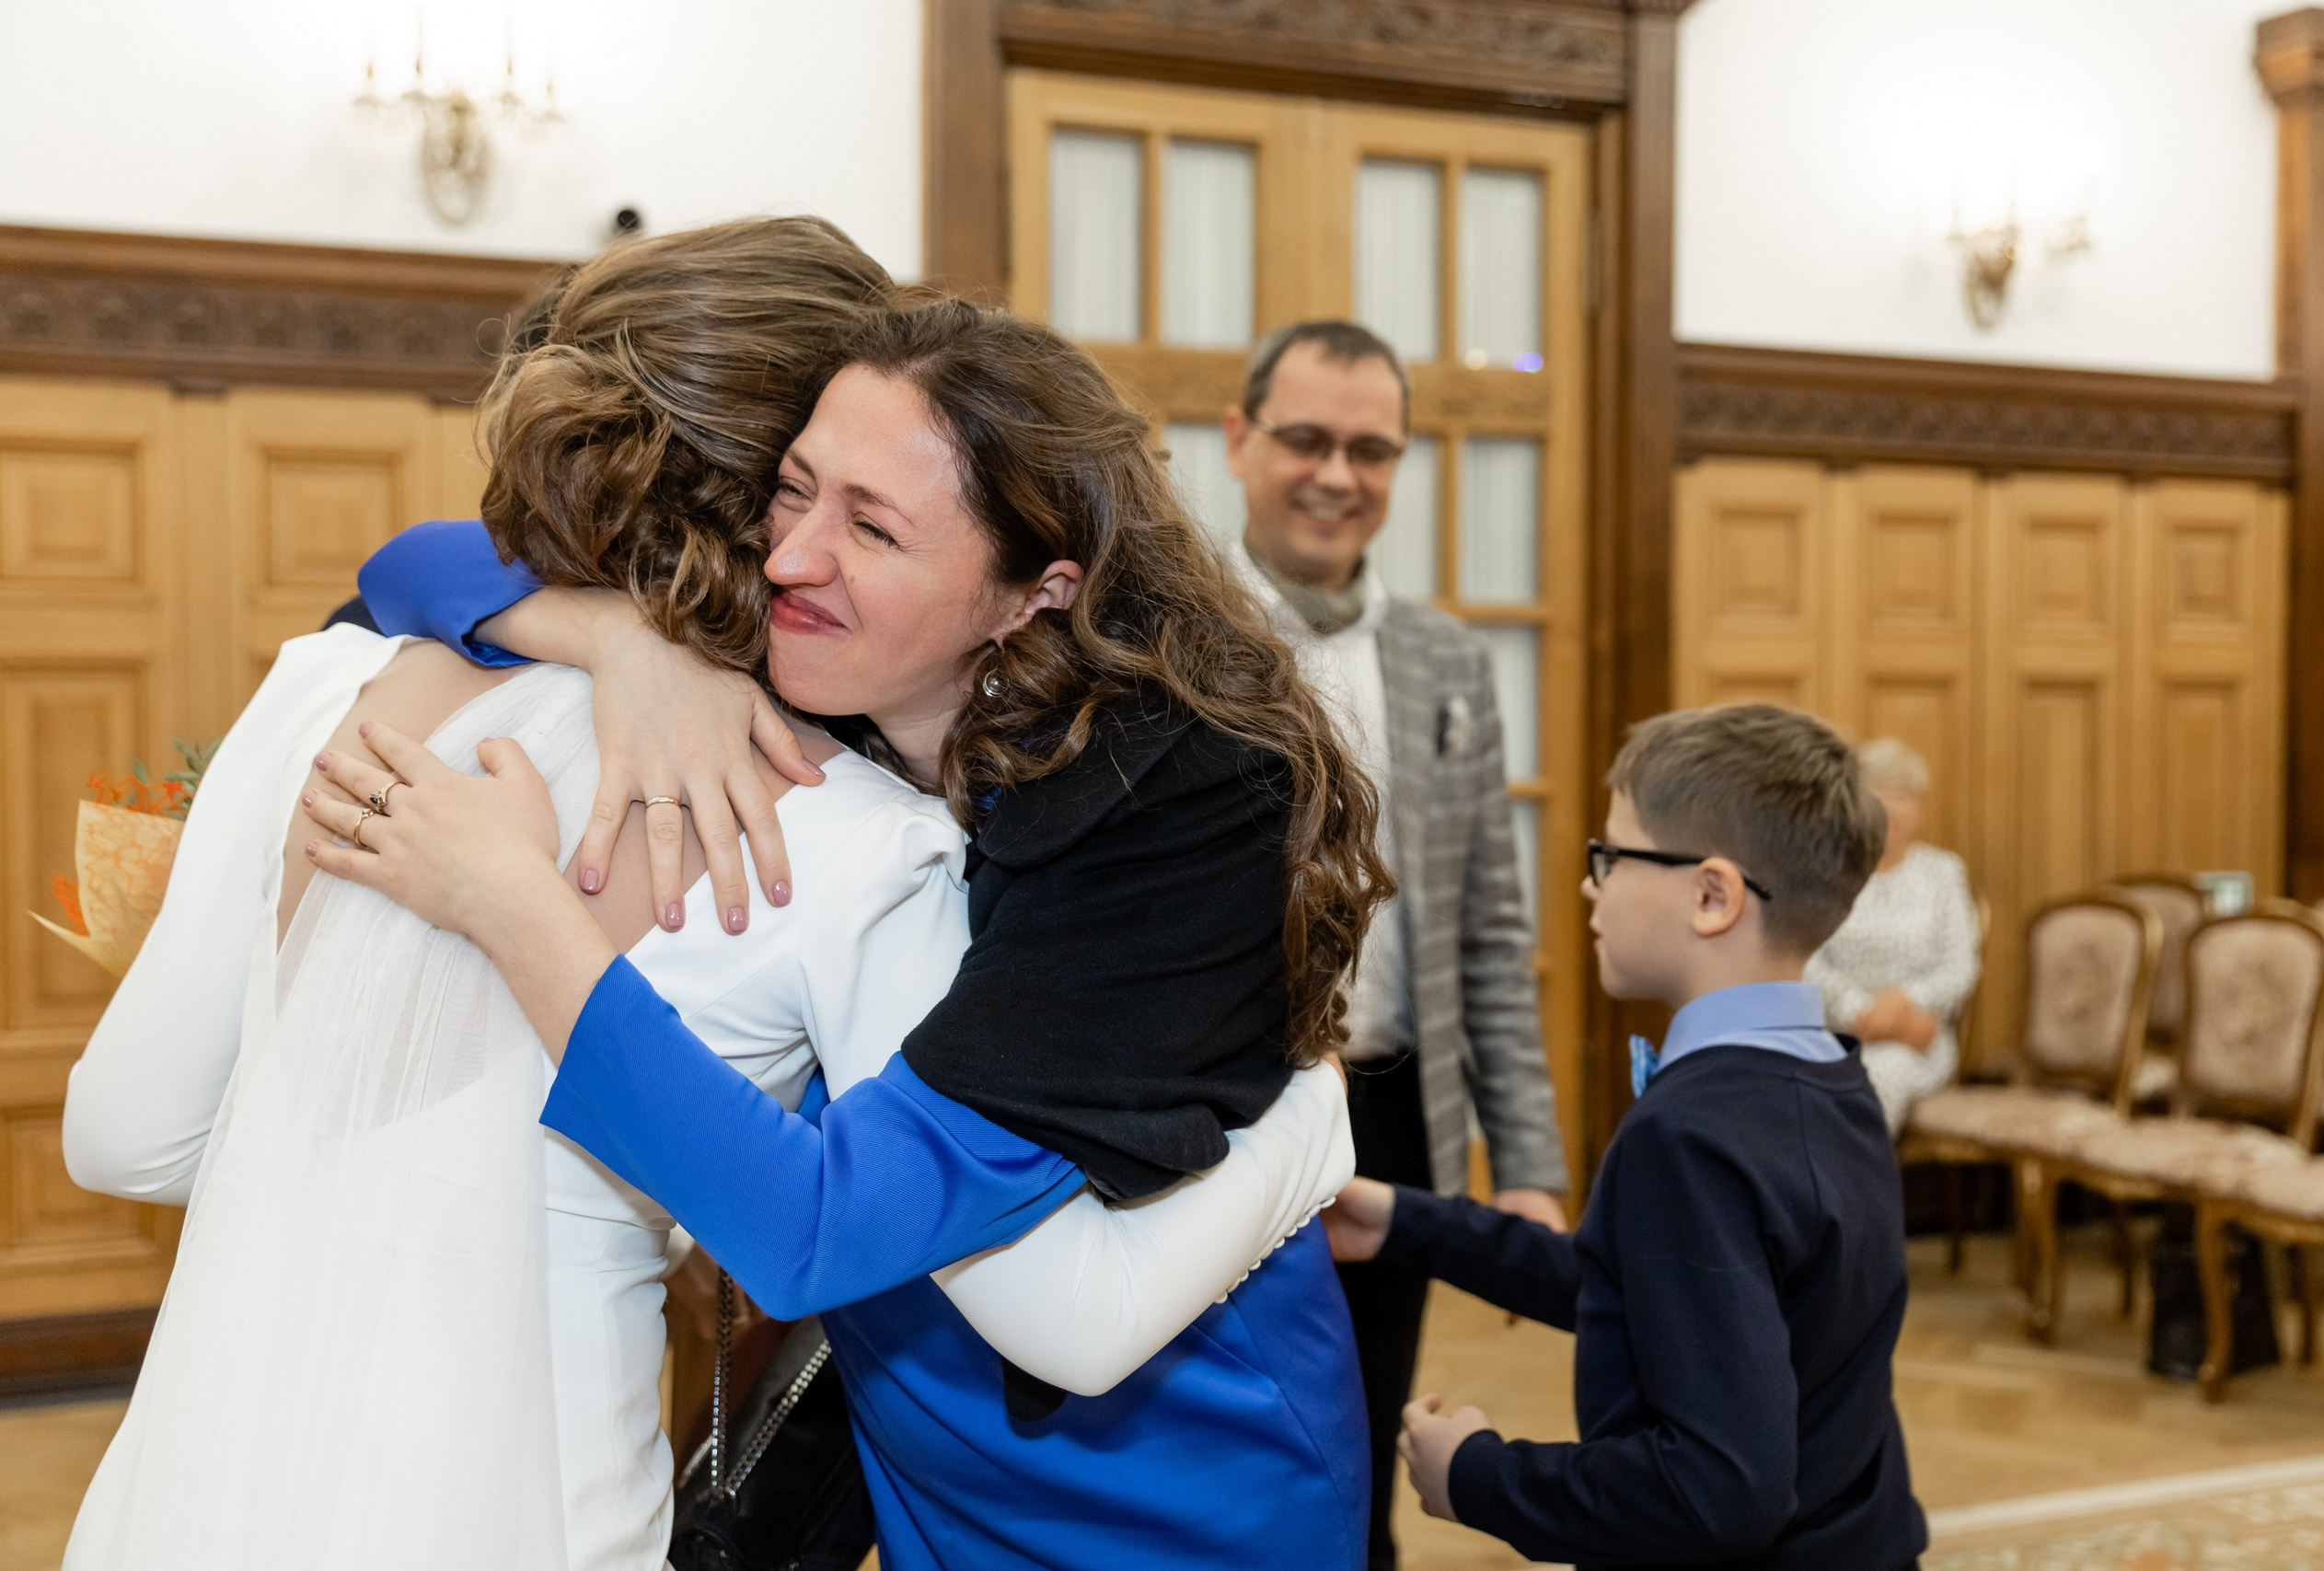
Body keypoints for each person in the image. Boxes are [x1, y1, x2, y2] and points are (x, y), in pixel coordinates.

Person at [61, 225, 1363, 1571]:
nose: (803, 552)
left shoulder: (1140, 799)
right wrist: (609, 630)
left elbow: (1007, 1293)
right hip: (847, 1436)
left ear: (1035, 591)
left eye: (870, 520)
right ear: (753, 489)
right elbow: (413, 563)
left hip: (1160, 1450)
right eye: (797, 491)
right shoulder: (828, 780)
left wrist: (1307, 1130)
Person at [1324, 703, 1929, 1569]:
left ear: (1712, 895)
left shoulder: (1688, 1136)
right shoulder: (1834, 1079)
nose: (1588, 883)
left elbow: (1717, 1492)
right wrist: (1400, 1222)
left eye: (1611, 855)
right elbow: (1657, 1291)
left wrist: (1479, 1477)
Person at [1220, 319, 1567, 1566]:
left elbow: (1489, 928)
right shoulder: (1172, 635)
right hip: (1220, 1108)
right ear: (1241, 439)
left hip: (1395, 1113)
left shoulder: (1449, 660)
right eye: (1307, 438)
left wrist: (1527, 1165)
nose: (1337, 473)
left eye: (1372, 449)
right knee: (1227, 1437)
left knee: (1360, 1433)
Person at [1805, 736, 1981, 1136]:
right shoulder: (1830, 873)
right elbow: (1808, 960)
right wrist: (1858, 1012)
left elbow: (1960, 967)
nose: (1891, 807)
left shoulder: (1943, 872)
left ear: (1921, 807)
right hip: (1835, 1031)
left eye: (1903, 795)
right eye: (1878, 794)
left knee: (1876, 1078)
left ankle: (1854, 1197)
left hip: (1918, 1038)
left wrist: (1902, 1004)